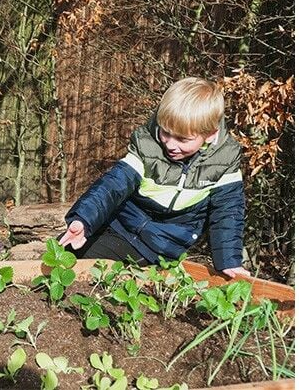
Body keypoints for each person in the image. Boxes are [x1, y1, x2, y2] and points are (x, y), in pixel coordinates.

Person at [58, 77, 250, 278]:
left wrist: (229, 260)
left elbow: (228, 213)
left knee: (91, 277)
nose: (170, 144)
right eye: (165, 132)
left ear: (210, 135)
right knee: (62, 255)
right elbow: (112, 185)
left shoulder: (224, 161)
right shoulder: (148, 146)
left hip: (160, 246)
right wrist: (83, 220)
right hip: (118, 227)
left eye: (182, 139)